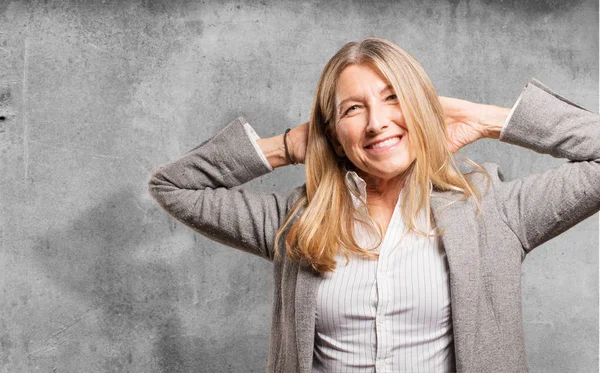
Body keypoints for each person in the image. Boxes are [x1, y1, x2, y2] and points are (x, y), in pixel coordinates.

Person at [148, 37, 599, 373]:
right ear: (334, 132)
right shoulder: (295, 222)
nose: (377, 123)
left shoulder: (493, 211)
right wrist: (286, 145)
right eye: (352, 110)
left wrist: (487, 119)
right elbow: (173, 186)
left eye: (393, 98)